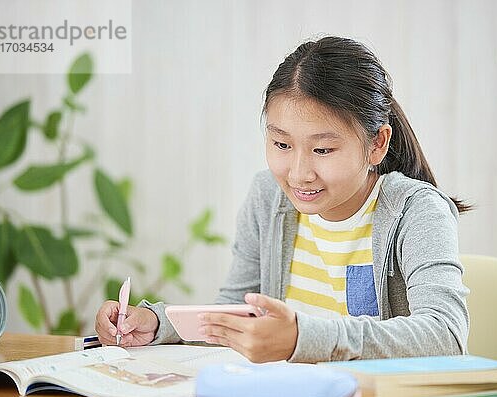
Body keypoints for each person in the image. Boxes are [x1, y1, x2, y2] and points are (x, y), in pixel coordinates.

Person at [95, 36, 470, 364]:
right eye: (281, 144)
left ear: (377, 144)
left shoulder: (417, 211)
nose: (298, 173)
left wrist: (300, 339)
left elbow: (446, 336)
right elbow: (237, 310)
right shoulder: (268, 197)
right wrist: (158, 323)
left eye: (322, 149)